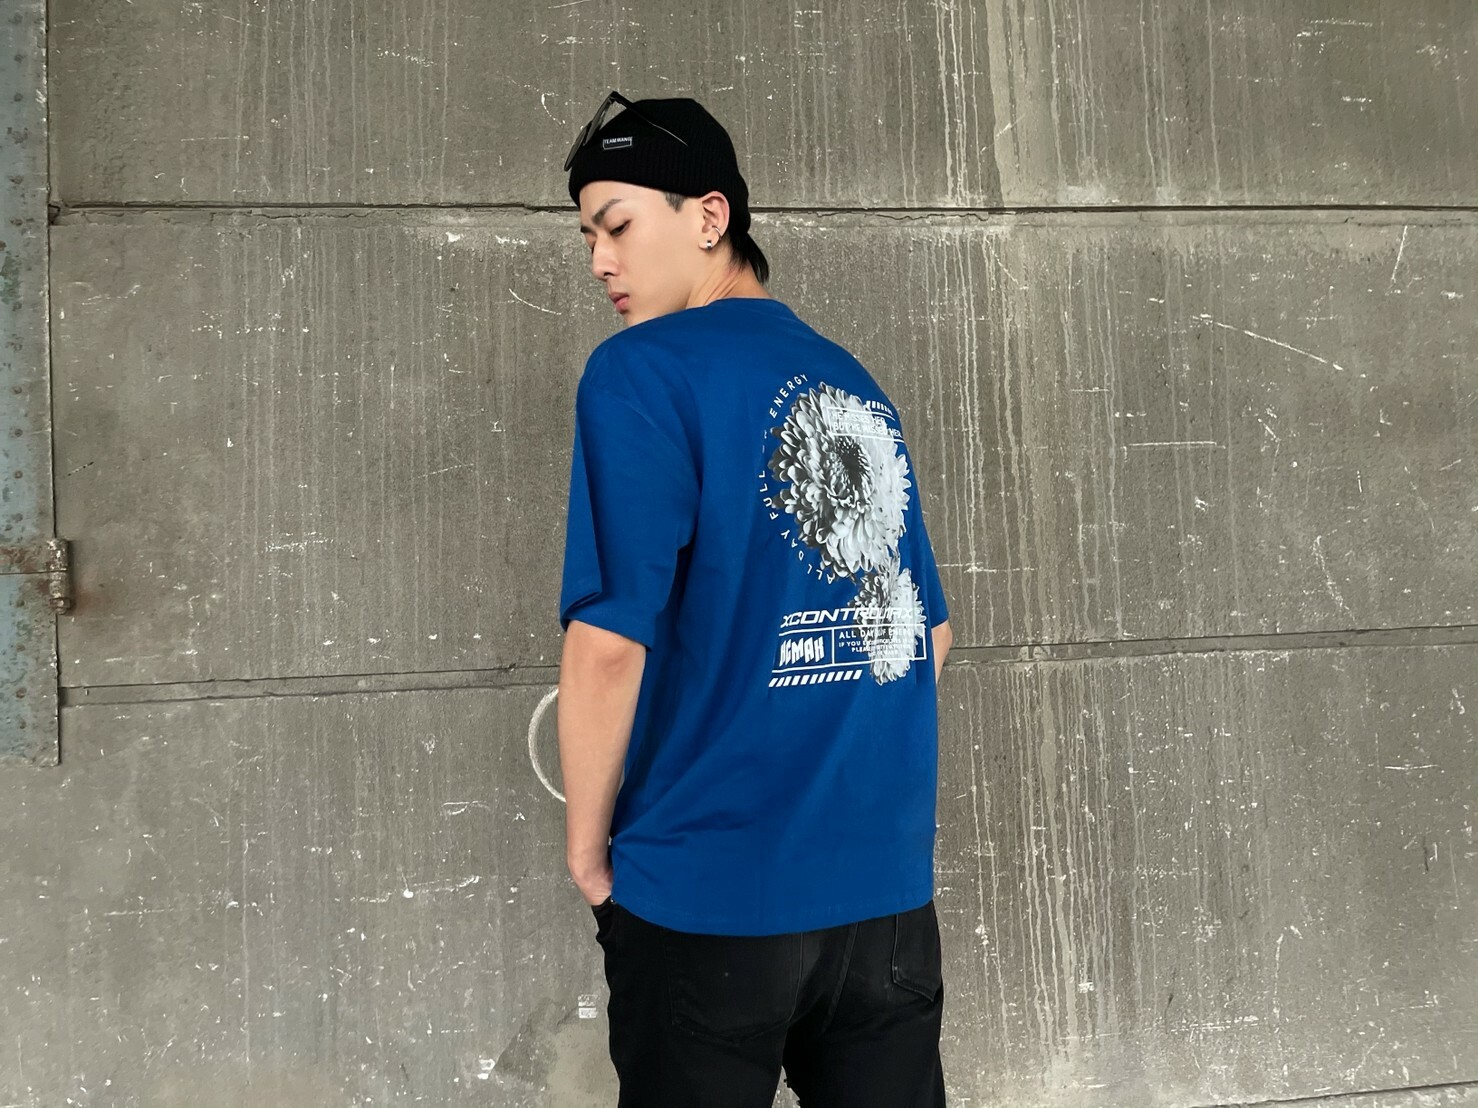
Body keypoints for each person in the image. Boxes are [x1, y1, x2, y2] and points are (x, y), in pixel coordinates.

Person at [556, 91, 954, 1107]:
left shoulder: (640, 372)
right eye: (588, 237)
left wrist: (589, 856)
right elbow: (931, 635)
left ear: (708, 216)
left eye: (616, 225)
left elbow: (608, 642)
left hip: (709, 894)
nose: (599, 260)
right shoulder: (848, 378)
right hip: (884, 906)